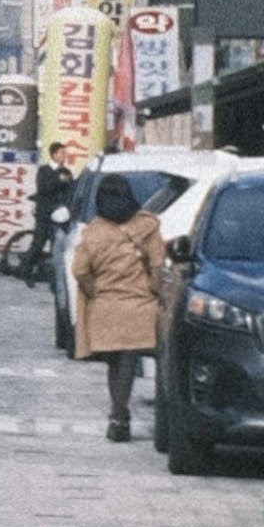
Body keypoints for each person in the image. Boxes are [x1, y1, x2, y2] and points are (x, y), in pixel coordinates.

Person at [69, 171, 167, 445]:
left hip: (106, 306)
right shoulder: (147, 226)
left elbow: (79, 270)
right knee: (129, 359)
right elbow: (158, 264)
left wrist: (95, 289)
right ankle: (119, 415)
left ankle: (119, 415)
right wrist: (156, 290)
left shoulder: (93, 232)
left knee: (115, 363)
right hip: (140, 305)